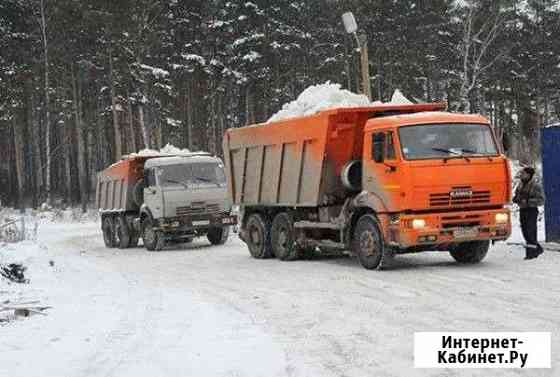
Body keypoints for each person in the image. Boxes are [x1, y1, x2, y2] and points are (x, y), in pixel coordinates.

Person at [513, 167, 545, 259]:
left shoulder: (535, 186)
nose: (522, 175)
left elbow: (541, 200)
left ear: (529, 175)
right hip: (522, 210)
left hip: (531, 211)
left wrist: (528, 202)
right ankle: (537, 249)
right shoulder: (520, 184)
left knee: (531, 232)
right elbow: (517, 195)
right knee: (525, 232)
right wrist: (516, 199)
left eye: (524, 173)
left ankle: (531, 254)